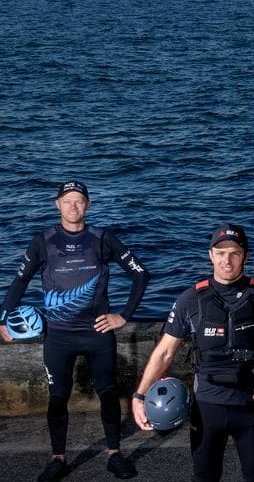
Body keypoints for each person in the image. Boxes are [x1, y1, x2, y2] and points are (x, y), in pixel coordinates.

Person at [130, 224, 254, 482]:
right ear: (211, 255)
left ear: (245, 256)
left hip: (250, 406)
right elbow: (164, 353)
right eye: (221, 252)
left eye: (235, 253)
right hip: (206, 408)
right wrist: (140, 394)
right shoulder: (189, 300)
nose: (227, 260)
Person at [1, 181, 150, 482]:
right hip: (58, 336)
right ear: (57, 204)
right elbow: (20, 281)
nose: (73, 206)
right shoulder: (43, 241)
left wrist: (124, 315)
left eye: (79, 201)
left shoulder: (102, 238)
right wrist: (3, 318)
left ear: (88, 205)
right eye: (67, 200)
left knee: (107, 393)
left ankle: (114, 454)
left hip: (97, 332)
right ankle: (58, 459)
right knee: (58, 397)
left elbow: (141, 274)